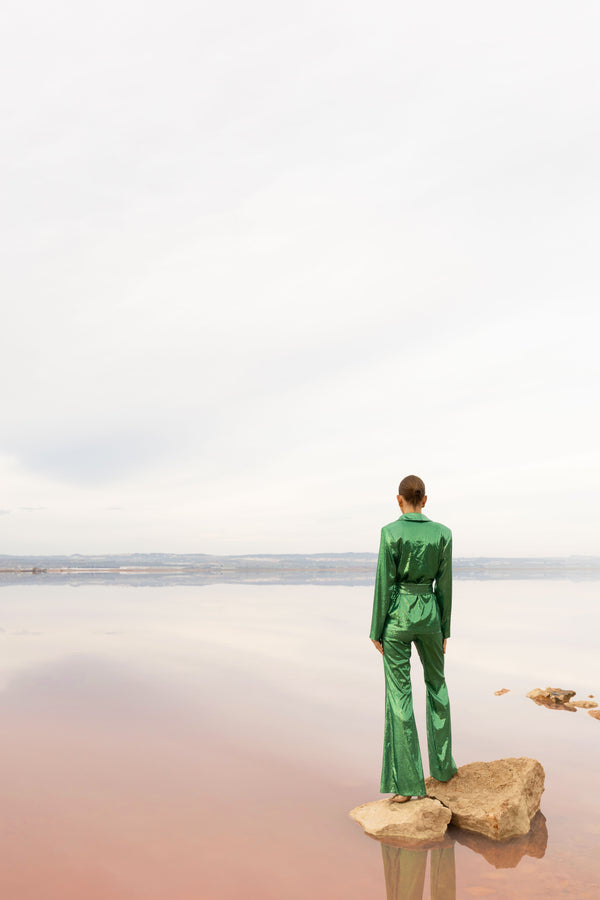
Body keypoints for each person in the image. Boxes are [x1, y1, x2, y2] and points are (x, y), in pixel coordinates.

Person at [370, 474, 457, 802]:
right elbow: (445, 585)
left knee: (399, 695)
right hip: (430, 614)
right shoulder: (443, 533)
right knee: (437, 685)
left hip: (398, 617)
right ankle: (444, 767)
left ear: (399, 499)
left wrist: (376, 628)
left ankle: (407, 786)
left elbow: (384, 583)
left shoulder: (390, 532)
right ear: (425, 499)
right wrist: (445, 628)